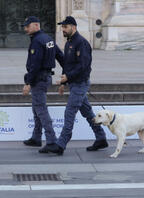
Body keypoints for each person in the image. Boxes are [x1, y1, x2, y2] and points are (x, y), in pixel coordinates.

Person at [47, 16, 108, 155]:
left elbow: (83, 65)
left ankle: (61, 144)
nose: (63, 29)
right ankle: (101, 138)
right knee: (87, 113)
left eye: (65, 27)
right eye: (62, 27)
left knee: (69, 112)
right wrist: (64, 81)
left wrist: (68, 77)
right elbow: (67, 64)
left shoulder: (82, 43)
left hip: (80, 83)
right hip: (74, 83)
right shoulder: (69, 43)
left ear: (73, 27)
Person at [21, 16, 64, 153]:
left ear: (36, 26)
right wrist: (66, 73)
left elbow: (35, 65)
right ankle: (36, 137)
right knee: (36, 108)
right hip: (45, 77)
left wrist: (28, 83)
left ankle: (51, 141)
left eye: (28, 26)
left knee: (41, 109)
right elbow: (61, 56)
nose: (25, 29)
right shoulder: (48, 39)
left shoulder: (37, 41)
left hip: (39, 78)